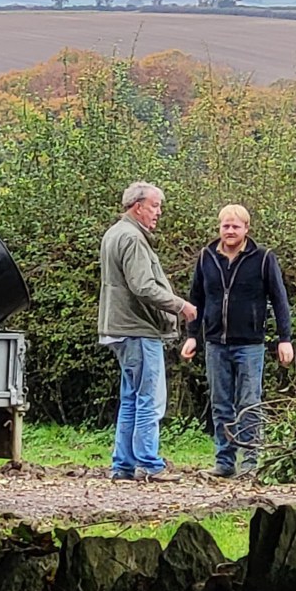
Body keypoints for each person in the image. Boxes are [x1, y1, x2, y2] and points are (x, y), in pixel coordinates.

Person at [181, 204, 294, 478]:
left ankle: (251, 463)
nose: (229, 231)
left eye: (235, 226)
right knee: (220, 404)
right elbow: (196, 298)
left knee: (249, 403)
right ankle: (224, 462)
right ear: (219, 228)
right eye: (225, 226)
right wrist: (192, 336)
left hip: (250, 344)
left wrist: (284, 339)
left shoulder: (264, 258)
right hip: (215, 343)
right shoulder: (206, 257)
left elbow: (279, 300)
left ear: (246, 229)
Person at [98, 181, 197, 482]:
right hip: (139, 329)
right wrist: (181, 306)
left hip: (119, 329)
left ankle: (123, 465)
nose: (159, 212)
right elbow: (143, 286)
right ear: (137, 206)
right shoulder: (133, 238)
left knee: (131, 397)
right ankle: (149, 464)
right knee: (149, 398)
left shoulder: (114, 233)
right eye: (155, 206)